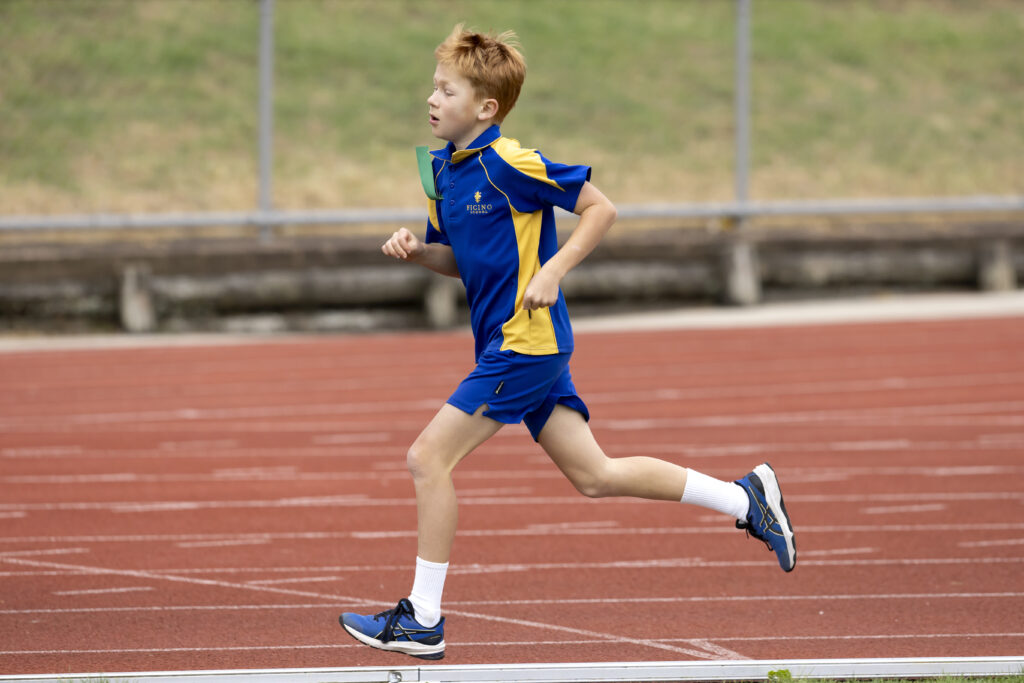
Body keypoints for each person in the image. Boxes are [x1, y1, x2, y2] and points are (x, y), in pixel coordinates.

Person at [339, 24, 796, 661]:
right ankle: (743, 497)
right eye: (433, 87)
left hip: (526, 345)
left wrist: (553, 270)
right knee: (595, 475)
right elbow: (461, 260)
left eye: (446, 89)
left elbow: (602, 209)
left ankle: (423, 617)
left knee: (427, 459)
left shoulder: (511, 164)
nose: (432, 98)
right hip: (514, 346)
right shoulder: (442, 171)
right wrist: (420, 254)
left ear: (486, 108)